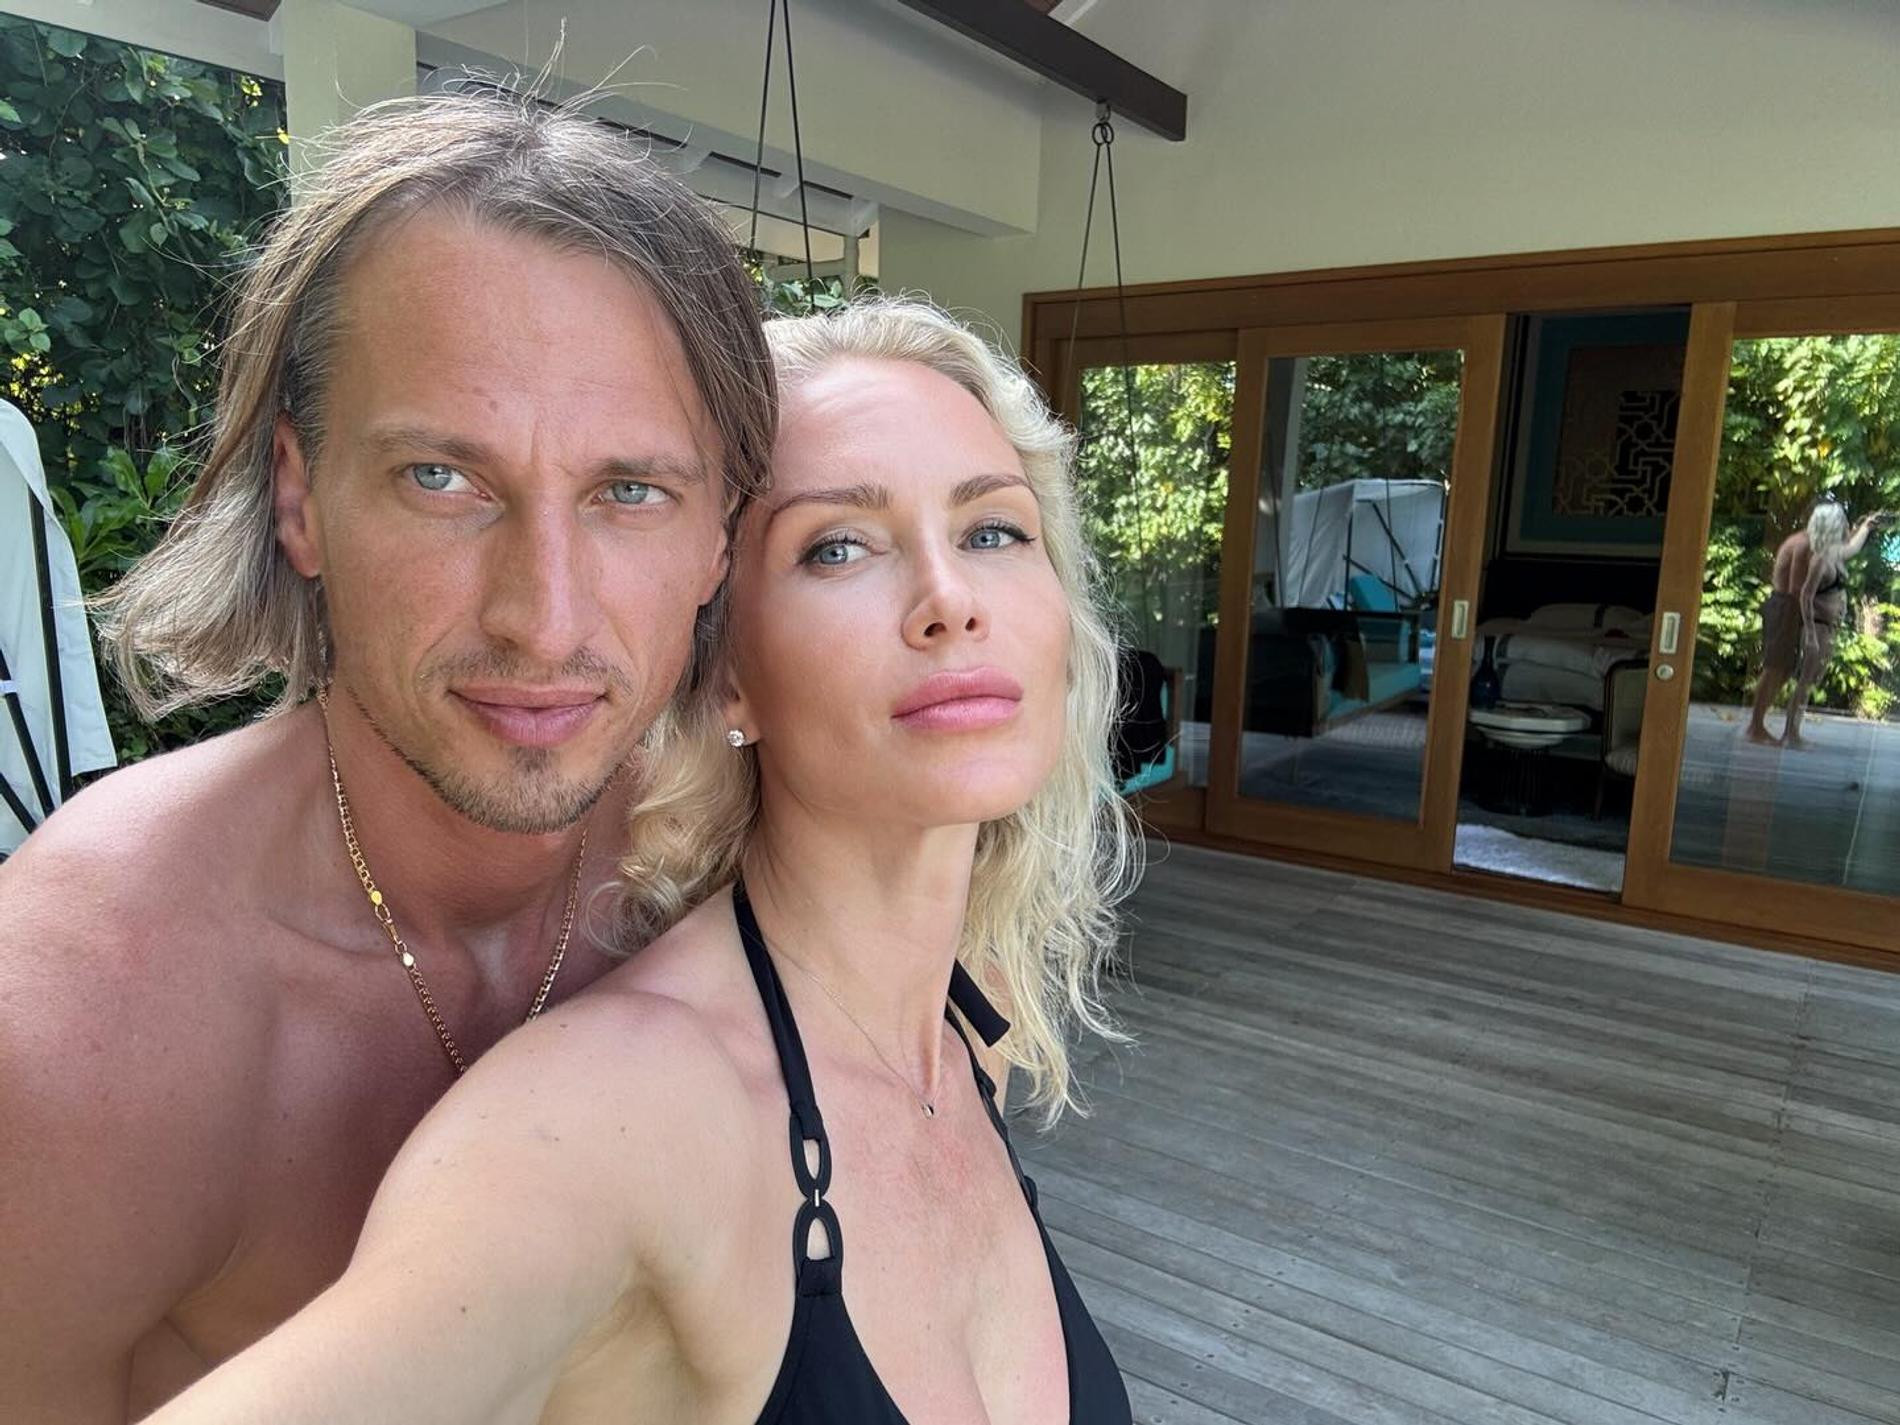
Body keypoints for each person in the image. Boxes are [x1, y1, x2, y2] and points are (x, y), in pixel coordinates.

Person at [140, 298, 1140, 1424]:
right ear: (728, 674)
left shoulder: (966, 1030)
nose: (950, 602)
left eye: (993, 531)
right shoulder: (616, 1120)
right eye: (837, 546)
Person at [0, 92, 775, 1421]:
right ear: (298, 496)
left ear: (719, 535)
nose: (543, 619)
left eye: (628, 491)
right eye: (441, 478)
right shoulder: (82, 1025)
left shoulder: (744, 866)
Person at [1744, 499, 1890, 746]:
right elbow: (1798, 591)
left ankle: (1763, 726)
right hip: (1785, 608)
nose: (1845, 527)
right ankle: (1756, 727)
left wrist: (1865, 526)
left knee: (1784, 670)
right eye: (1841, 522)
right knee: (1775, 668)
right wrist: (1817, 623)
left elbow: (1848, 547)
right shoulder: (1804, 545)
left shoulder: (1819, 545)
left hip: (1795, 611)